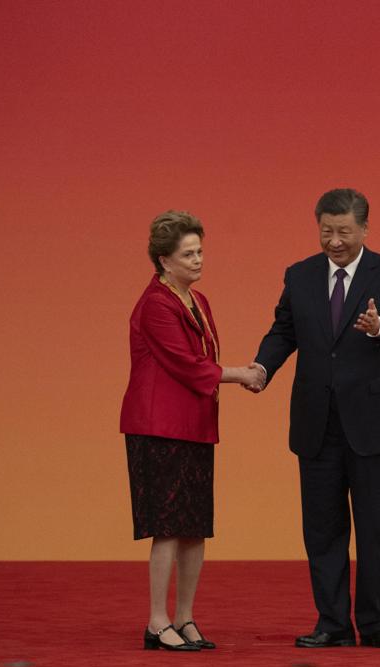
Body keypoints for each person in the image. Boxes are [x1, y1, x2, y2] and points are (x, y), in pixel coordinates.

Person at [247, 188, 380, 649]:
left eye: (344, 231)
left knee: (375, 527)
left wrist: (379, 327)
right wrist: (263, 368)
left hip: (375, 424)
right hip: (316, 423)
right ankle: (333, 624)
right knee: (322, 529)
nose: (335, 241)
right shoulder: (300, 275)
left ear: (364, 228)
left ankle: (378, 625)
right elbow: (284, 330)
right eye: (327, 230)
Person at [120, 210, 262, 651]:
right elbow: (187, 364)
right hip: (158, 426)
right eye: (188, 254)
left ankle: (184, 617)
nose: (198, 260)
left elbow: (200, 363)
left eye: (200, 251)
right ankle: (156, 621)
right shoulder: (155, 305)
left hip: (195, 425)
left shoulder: (198, 301)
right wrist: (242, 373)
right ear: (164, 260)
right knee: (167, 526)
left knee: (195, 526)